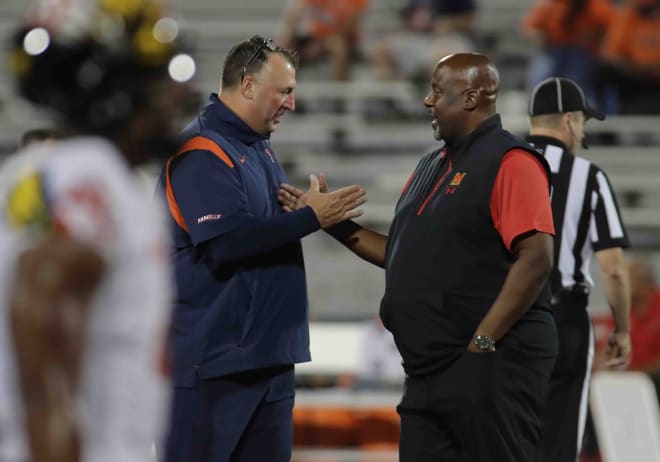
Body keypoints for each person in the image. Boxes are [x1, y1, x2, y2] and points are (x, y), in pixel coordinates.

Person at [280, 52, 558, 462]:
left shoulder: (510, 161)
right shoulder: (432, 164)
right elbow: (399, 254)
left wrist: (483, 342)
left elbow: (536, 257)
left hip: (490, 364)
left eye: (437, 92)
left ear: (470, 97)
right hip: (430, 369)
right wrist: (327, 220)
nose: (428, 102)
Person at [0, 0, 195, 461]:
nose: (173, 94)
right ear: (115, 88)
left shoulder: (50, 169)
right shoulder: (86, 175)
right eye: (156, 78)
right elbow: (44, 331)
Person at [157, 35, 367, 462]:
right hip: (213, 367)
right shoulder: (202, 151)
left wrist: (302, 212)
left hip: (265, 361)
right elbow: (225, 242)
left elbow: (264, 232)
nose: (291, 104)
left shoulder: (257, 147)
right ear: (249, 86)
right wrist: (311, 218)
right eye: (284, 92)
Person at [525, 76, 632, 462]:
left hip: (503, 319)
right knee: (559, 435)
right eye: (583, 122)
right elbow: (614, 269)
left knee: (503, 430)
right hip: (563, 317)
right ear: (569, 120)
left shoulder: (500, 168)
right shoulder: (589, 177)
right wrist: (621, 329)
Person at [278, 0, 371, 80]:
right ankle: (288, 92)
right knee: (286, 49)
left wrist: (321, 44)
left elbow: (348, 27)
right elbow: (295, 12)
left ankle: (338, 96)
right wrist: (286, 36)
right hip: (316, 37)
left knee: (338, 47)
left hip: (345, 40)